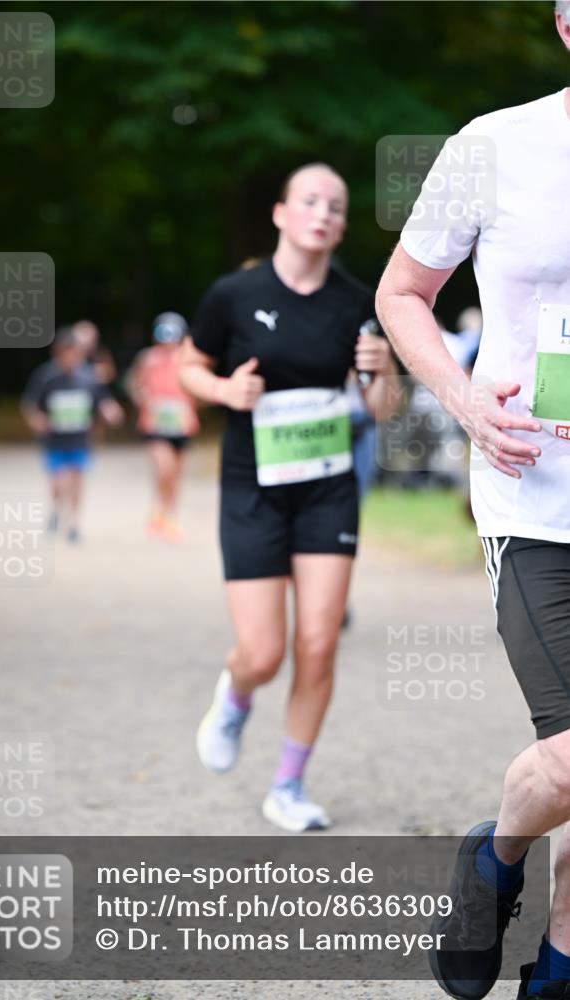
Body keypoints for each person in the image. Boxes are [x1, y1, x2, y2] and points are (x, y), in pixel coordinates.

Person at [376, 6, 570, 997]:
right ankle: (492, 856)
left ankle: (559, 971)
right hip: (536, 498)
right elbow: (402, 291)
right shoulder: (493, 145)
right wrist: (459, 400)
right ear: (564, 26)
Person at [179, 163, 399, 832]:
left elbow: (381, 411)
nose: (323, 213)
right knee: (264, 652)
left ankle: (288, 785)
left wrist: (382, 371)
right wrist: (223, 392)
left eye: (335, 205)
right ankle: (237, 691)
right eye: (309, 200)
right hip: (253, 489)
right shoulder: (234, 294)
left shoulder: (357, 301)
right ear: (280, 213)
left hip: (326, 489)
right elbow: (187, 365)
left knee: (318, 642)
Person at [21, 327, 123, 542]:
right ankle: (57, 509)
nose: (70, 358)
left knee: (76, 480)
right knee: (58, 483)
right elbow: (30, 404)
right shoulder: (46, 376)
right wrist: (37, 419)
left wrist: (110, 411)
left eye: (73, 352)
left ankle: (74, 523)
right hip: (54, 440)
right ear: (57, 353)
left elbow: (102, 401)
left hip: (80, 439)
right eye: (65, 353)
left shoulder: (88, 377)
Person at [126, 312, 200, 542]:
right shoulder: (147, 358)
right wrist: (141, 396)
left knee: (175, 474)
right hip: (156, 423)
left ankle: (170, 516)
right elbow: (132, 383)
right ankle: (160, 508)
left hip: (182, 423)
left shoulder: (189, 358)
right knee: (163, 469)